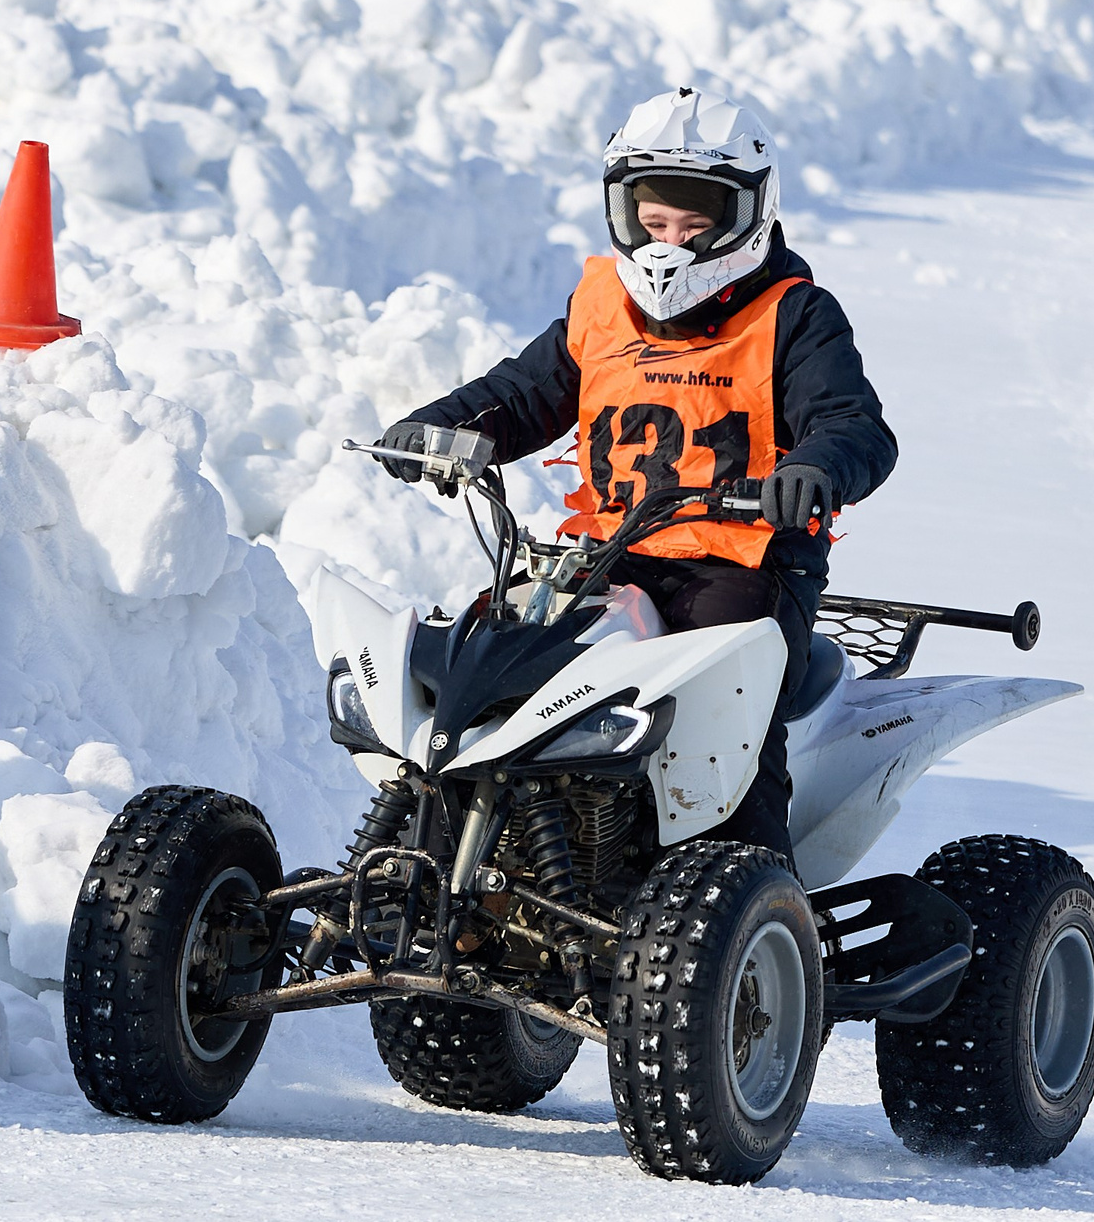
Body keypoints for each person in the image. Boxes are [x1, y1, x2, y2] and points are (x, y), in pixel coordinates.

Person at [375, 88, 896, 856]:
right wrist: (443, 426)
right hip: (607, 560)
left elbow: (855, 423)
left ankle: (757, 899)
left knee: (722, 717)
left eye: (694, 226)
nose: (669, 246)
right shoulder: (601, 307)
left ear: (748, 215)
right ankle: (429, 862)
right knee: (487, 674)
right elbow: (524, 393)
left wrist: (815, 468)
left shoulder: (793, 314)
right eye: (652, 224)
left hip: (745, 566)